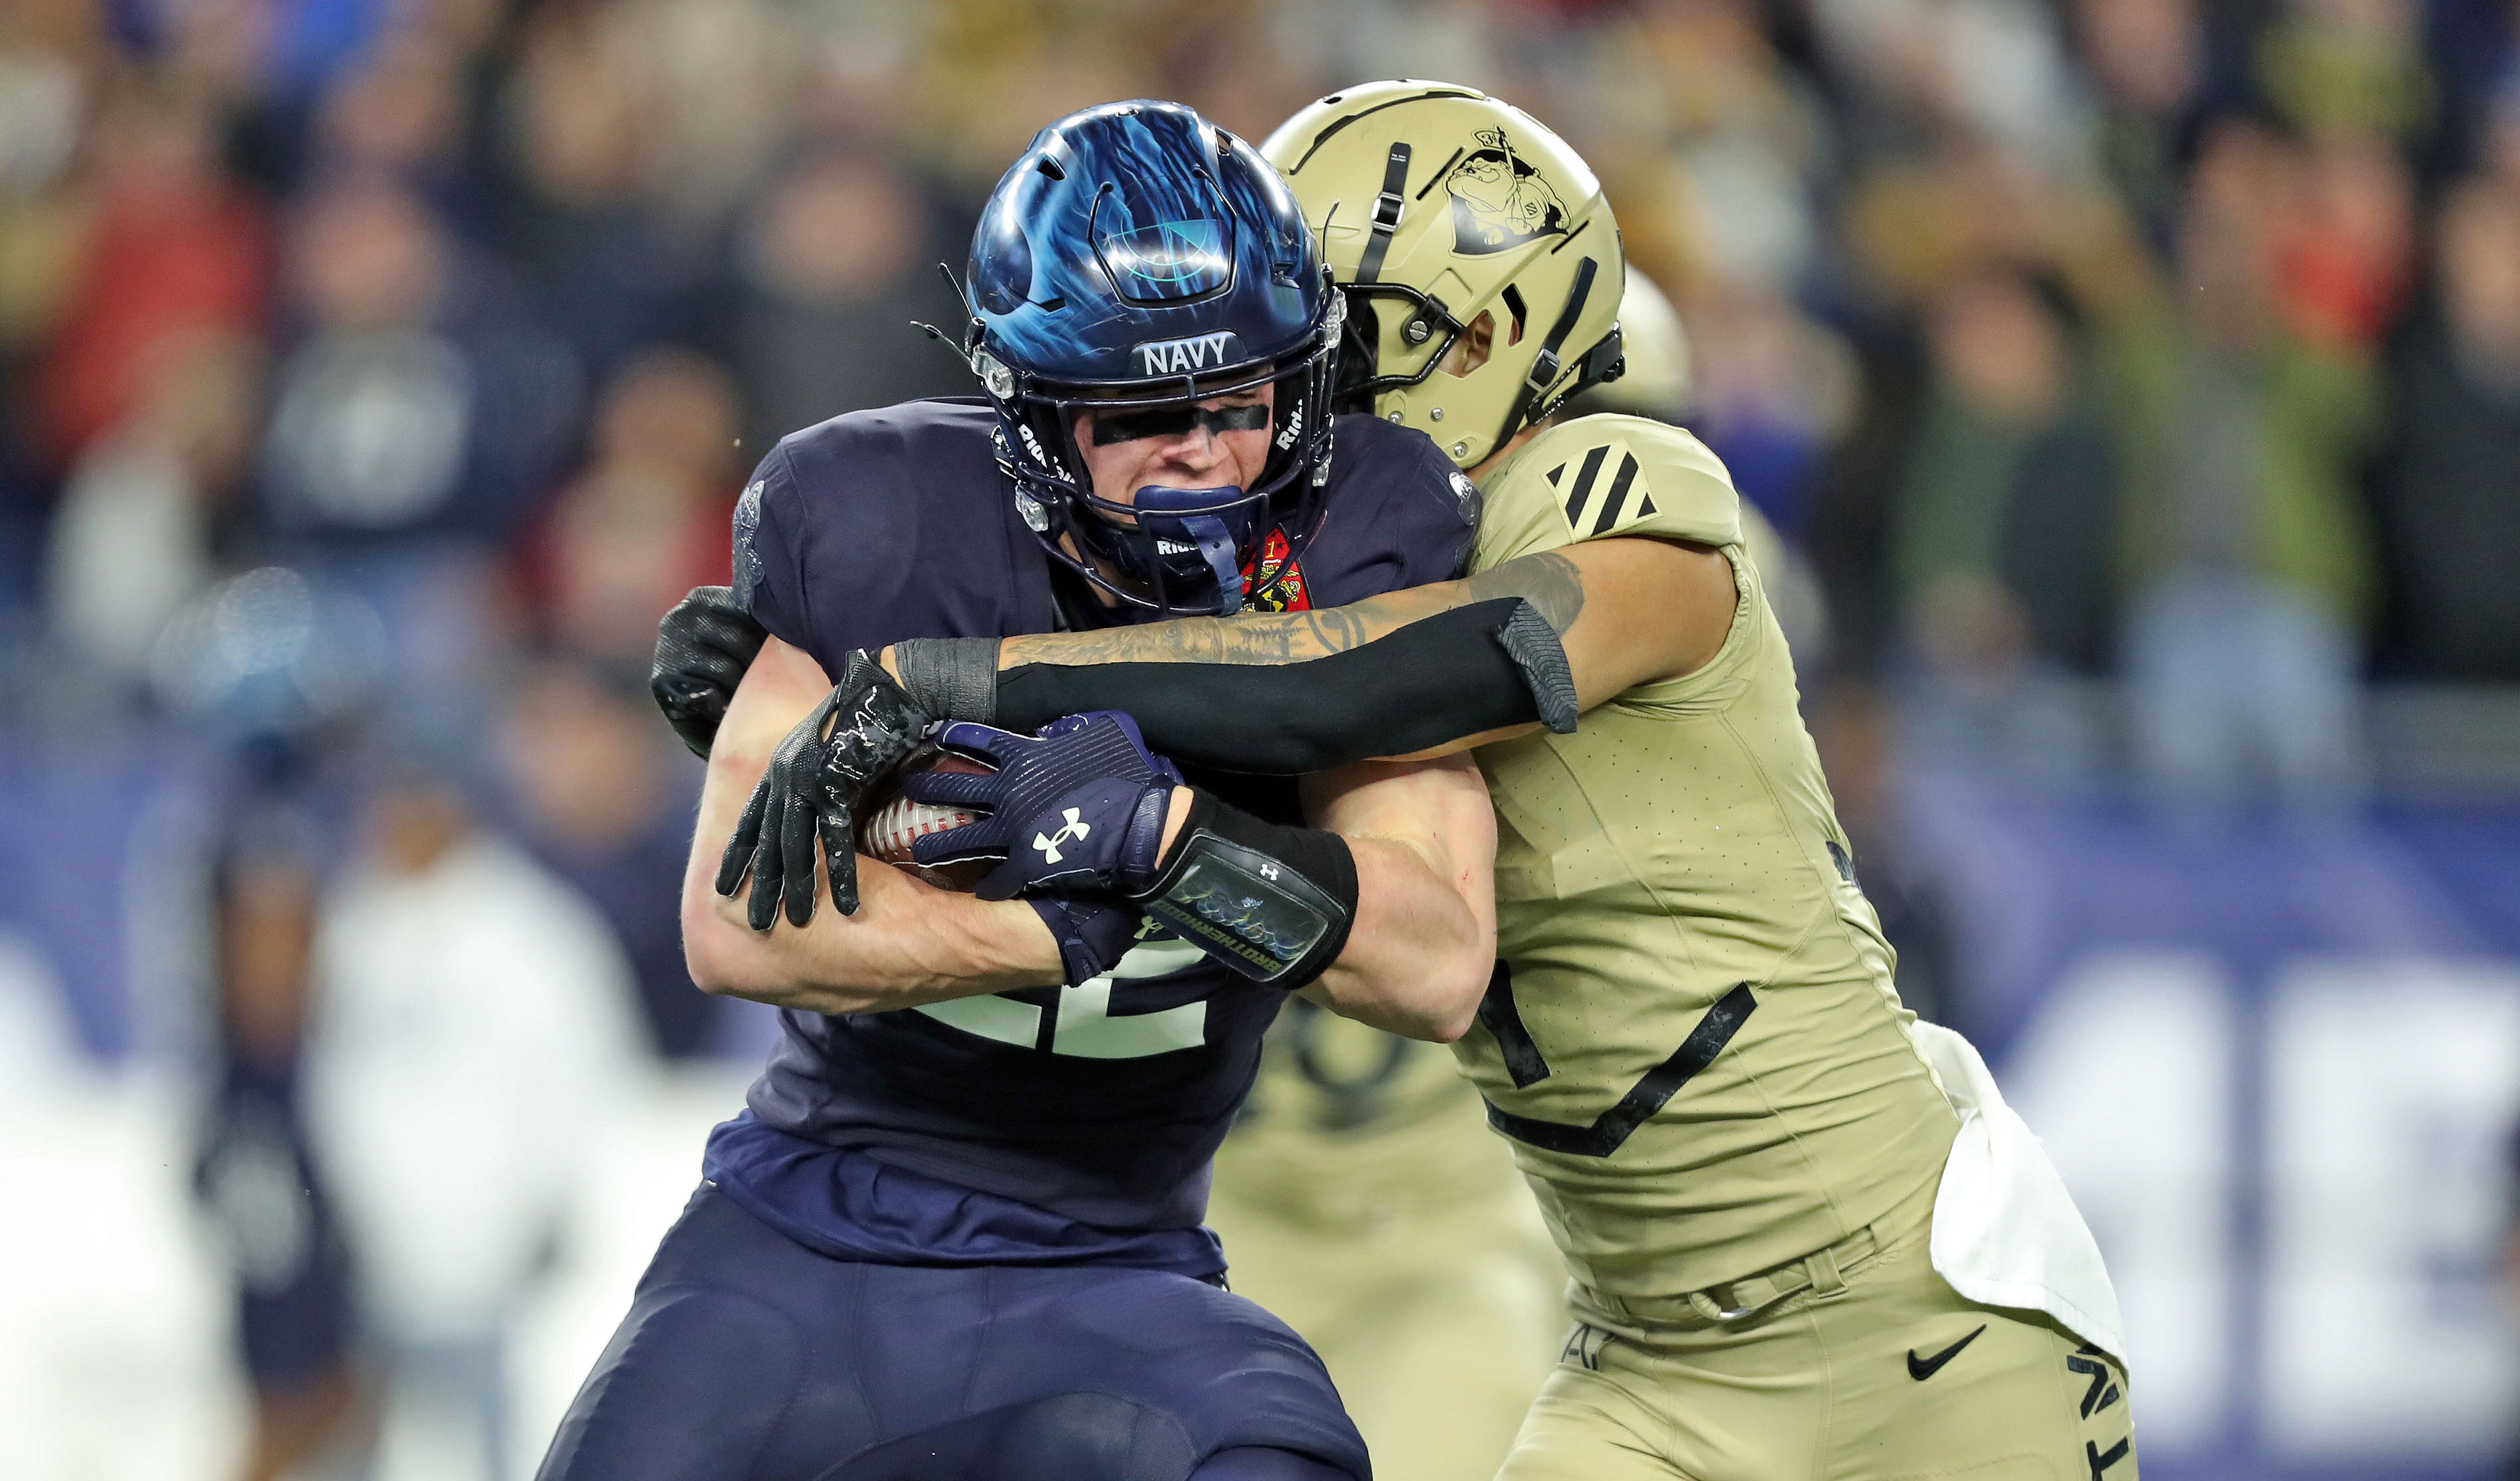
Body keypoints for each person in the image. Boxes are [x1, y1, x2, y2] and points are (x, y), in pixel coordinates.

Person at [666, 84, 2136, 1481]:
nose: (1303, 387)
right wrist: (810, 723)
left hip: (1905, 1298)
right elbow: (1224, 815)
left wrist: (956, 673)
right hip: (1646, 1346)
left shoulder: (1613, 489)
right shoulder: (1314, 551)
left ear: (1488, 327)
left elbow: (1346, 678)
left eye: (1344, 337)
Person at [544, 102, 1493, 1481]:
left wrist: (1167, 838)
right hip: (802, 1244)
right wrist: (1063, 923)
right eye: (1147, 416)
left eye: (1244, 401)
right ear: (1035, 416)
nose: (1209, 455)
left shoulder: (1364, 531)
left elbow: (1439, 959)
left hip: (1119, 1269)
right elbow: (739, 922)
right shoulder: (873, 510)